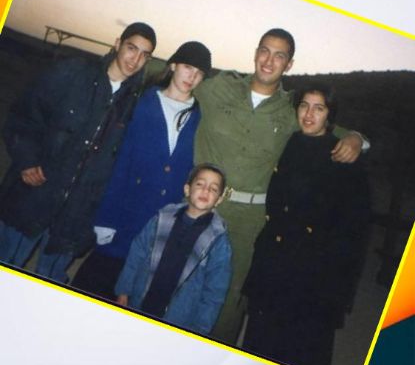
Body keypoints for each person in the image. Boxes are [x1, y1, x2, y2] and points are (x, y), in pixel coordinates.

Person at [194, 28, 367, 344]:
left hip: (250, 220)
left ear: (289, 64)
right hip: (202, 205)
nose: (269, 60)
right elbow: (175, 78)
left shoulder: (291, 109)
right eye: (264, 50)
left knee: (231, 299)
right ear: (255, 52)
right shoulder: (219, 87)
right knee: (183, 282)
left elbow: (332, 129)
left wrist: (357, 138)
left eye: (279, 55)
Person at [0, 22, 156, 283]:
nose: (135, 59)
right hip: (34, 195)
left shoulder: (134, 105)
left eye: (144, 55)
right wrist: (27, 160)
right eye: (132, 48)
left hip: (76, 217)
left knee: (49, 288)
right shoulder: (74, 73)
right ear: (117, 43)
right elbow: (23, 116)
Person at [242, 84, 371, 365]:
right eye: (304, 106)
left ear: (330, 115)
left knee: (302, 356)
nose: (309, 114)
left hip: (314, 277)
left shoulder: (344, 158)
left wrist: (339, 294)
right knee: (259, 352)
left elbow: (354, 235)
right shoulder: (288, 142)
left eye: (319, 108)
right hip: (274, 264)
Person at [71, 41, 211, 300]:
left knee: (130, 297)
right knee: (92, 287)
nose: (192, 77)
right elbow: (121, 163)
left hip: (163, 222)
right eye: (187, 67)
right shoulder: (144, 102)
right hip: (127, 211)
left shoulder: (199, 116)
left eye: (199, 72)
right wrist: (106, 219)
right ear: (173, 65)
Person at [115, 163, 232, 336]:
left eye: (213, 189)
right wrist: (124, 291)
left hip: (178, 319)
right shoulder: (162, 218)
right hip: (141, 302)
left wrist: (200, 329)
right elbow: (137, 253)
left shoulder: (218, 240)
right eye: (200, 184)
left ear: (219, 199)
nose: (205, 191)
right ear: (187, 189)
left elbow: (215, 291)